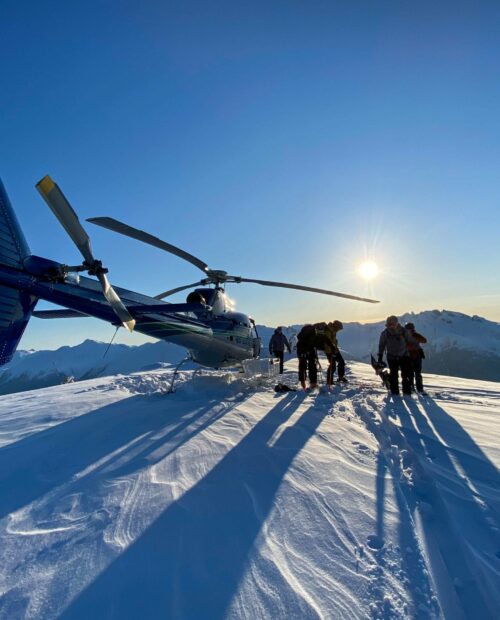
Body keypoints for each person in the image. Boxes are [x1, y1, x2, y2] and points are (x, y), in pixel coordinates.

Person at [296, 321, 342, 390]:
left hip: (311, 348)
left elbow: (327, 340)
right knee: (303, 365)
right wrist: (303, 352)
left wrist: (332, 347)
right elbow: (300, 340)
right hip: (302, 348)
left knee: (312, 365)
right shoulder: (308, 332)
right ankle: (303, 383)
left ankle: (313, 383)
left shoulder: (321, 333)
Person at [378, 315, 412, 395]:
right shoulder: (385, 333)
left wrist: (410, 354)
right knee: (394, 375)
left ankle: (406, 391)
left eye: (392, 324)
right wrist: (380, 355)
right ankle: (395, 392)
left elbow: (409, 342)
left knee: (405, 374)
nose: (391, 326)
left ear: (396, 323)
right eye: (389, 324)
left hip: (403, 356)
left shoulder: (404, 331)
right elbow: (381, 345)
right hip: (392, 357)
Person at [405, 322, 427, 393]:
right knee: (413, 373)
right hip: (413, 356)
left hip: (414, 356)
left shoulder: (413, 335)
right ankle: (416, 387)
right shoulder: (405, 336)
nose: (409, 331)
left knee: (415, 373)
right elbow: (424, 340)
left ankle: (417, 388)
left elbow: (424, 340)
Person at [324, 320, 347, 386]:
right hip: (329, 351)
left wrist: (335, 348)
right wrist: (331, 349)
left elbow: (333, 341)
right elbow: (327, 341)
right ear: (336, 327)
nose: (339, 330)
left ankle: (340, 377)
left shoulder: (333, 331)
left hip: (334, 350)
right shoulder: (328, 330)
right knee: (333, 366)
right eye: (339, 328)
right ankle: (329, 381)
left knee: (341, 362)